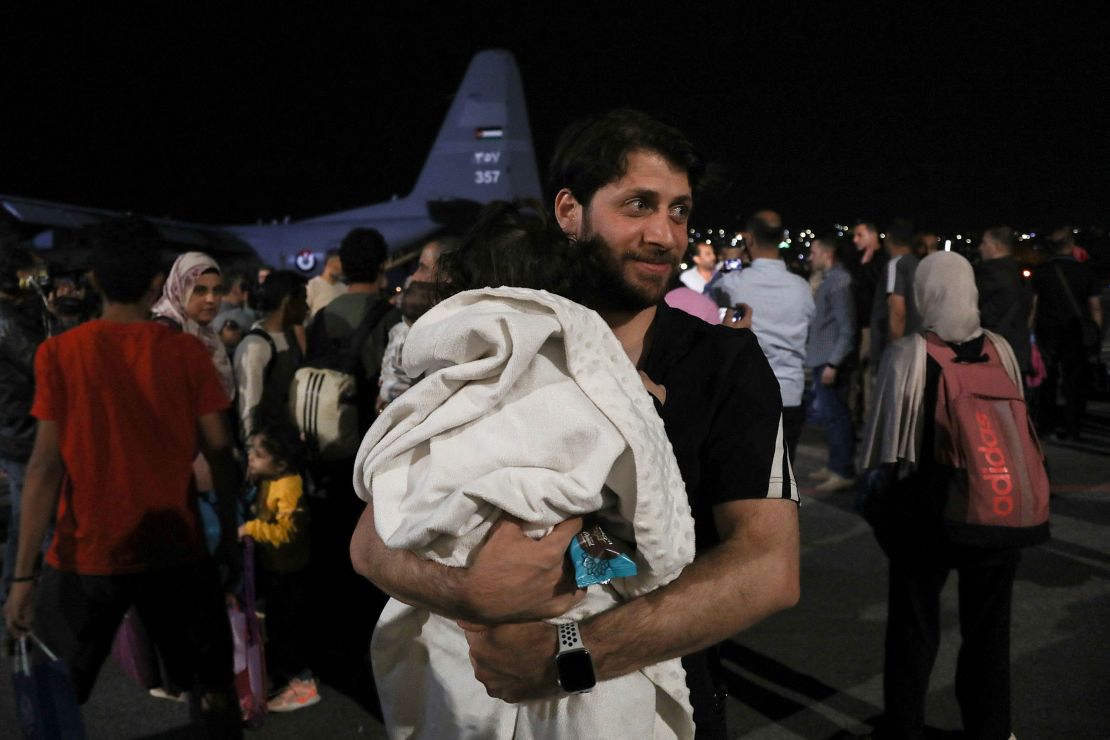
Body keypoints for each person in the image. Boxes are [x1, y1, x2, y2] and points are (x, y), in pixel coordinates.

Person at [351, 108, 800, 738]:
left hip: (653, 700)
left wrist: (568, 651)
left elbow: (769, 569)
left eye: (679, 210)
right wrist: (474, 595)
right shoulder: (501, 344)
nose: (665, 235)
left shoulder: (724, 362)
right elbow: (371, 542)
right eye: (638, 205)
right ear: (569, 211)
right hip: (470, 692)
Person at [3, 218, 241, 737]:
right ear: (158, 282)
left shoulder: (61, 354)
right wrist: (226, 534)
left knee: (51, 698)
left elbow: (44, 468)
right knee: (212, 687)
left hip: (85, 553)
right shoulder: (186, 354)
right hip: (176, 548)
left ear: (92, 279)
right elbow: (221, 452)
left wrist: (22, 580)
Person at [858, 251, 1026, 740]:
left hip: (927, 517)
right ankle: (991, 729)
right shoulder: (1001, 349)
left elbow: (886, 449)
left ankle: (903, 727)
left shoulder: (910, 353)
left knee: (913, 629)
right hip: (997, 511)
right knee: (990, 635)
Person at [714, 213, 815, 462]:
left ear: (748, 238)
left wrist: (731, 262)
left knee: (746, 476)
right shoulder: (802, 287)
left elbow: (709, 291)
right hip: (791, 393)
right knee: (784, 480)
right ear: (782, 238)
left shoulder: (735, 283)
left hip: (749, 392)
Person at [238, 419, 318, 712]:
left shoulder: (289, 486)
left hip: (290, 571)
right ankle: (286, 672)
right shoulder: (271, 479)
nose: (251, 458)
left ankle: (303, 684)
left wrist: (252, 529)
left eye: (258, 455)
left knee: (290, 627)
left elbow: (287, 533)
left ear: (281, 463)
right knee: (278, 623)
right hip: (275, 569)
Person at [0, 244, 53, 610]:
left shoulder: (15, 314)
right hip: (21, 430)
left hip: (19, 426)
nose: (36, 279)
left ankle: (20, 594)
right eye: (29, 273)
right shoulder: (6, 321)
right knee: (30, 518)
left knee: (31, 516)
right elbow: (40, 362)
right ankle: (14, 596)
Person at [1031, 226, 1103, 439]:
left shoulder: (1042, 272)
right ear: (1072, 245)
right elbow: (1095, 307)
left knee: (1048, 378)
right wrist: (1095, 333)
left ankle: (1047, 423)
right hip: (1075, 332)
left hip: (1047, 331)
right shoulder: (1086, 271)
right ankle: (1073, 426)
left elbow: (1033, 306)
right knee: (1075, 380)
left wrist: (1030, 334)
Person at [805, 234, 857, 492]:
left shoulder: (839, 282)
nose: (810, 257)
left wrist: (834, 363)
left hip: (829, 361)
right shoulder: (831, 280)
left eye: (814, 252)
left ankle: (842, 469)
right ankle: (835, 464)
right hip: (823, 359)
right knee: (831, 416)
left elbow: (847, 328)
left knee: (837, 416)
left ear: (827, 254)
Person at [232, 271, 307, 441]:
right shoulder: (256, 346)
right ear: (288, 302)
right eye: (303, 299)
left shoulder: (289, 336)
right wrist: (253, 451)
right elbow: (249, 408)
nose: (307, 307)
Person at [975, 226, 1033, 377]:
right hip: (1018, 348)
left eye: (984, 243)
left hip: (995, 350)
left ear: (997, 246)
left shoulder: (990, 271)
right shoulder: (1017, 272)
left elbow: (974, 307)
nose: (980, 247)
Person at [850, 219, 888, 420]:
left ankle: (866, 417)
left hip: (870, 326)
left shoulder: (882, 261)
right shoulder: (858, 259)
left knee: (865, 373)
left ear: (873, 235)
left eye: (860, 235)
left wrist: (866, 263)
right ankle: (859, 416)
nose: (855, 240)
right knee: (859, 375)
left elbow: (873, 289)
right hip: (859, 324)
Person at [883, 218, 923, 344]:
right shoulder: (919, 264)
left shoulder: (895, 265)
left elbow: (897, 311)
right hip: (919, 342)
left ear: (888, 237)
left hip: (903, 345)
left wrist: (894, 350)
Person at [305, 248, 347, 319]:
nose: (342, 269)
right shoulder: (312, 285)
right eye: (340, 264)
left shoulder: (344, 289)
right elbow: (300, 319)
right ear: (329, 263)